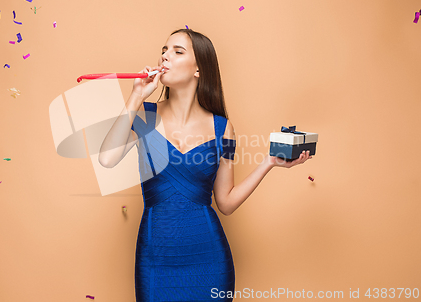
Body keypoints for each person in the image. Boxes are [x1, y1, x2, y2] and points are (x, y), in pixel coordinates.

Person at [98, 28, 312, 302]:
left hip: (209, 259)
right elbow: (107, 158)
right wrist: (136, 97)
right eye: (164, 50)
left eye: (177, 51)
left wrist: (268, 162)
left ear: (199, 68)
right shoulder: (143, 114)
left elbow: (226, 202)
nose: (165, 57)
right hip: (155, 258)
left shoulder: (224, 128)